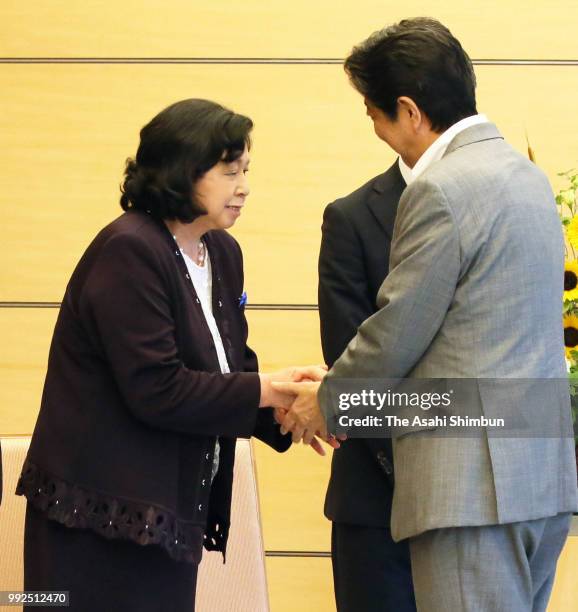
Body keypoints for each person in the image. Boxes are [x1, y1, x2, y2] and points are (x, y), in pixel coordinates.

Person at [274, 18, 578, 612]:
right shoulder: (529, 179)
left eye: (376, 115)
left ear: (409, 111)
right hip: (540, 476)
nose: (379, 131)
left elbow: (395, 333)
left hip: (472, 489)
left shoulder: (441, 189)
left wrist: (327, 399)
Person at [15, 98, 334, 612]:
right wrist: (273, 389)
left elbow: (231, 372)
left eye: (246, 170)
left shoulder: (223, 254)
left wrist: (291, 407)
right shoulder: (129, 249)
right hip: (97, 520)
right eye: (230, 171)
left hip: (167, 512)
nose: (245, 186)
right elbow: (157, 388)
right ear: (183, 172)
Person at [318, 156, 415, 609]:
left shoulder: (494, 211)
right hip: (377, 499)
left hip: (476, 509)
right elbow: (348, 362)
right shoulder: (352, 215)